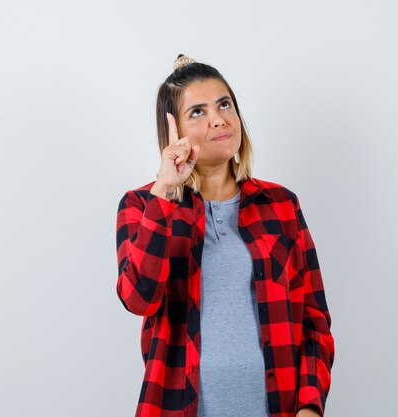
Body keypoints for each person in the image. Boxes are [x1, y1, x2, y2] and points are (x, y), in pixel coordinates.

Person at [115, 54, 334, 417]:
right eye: (197, 112)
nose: (218, 118)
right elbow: (138, 298)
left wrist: (309, 408)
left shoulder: (281, 205)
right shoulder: (143, 205)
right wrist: (166, 189)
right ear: (174, 132)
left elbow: (315, 320)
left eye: (224, 104)